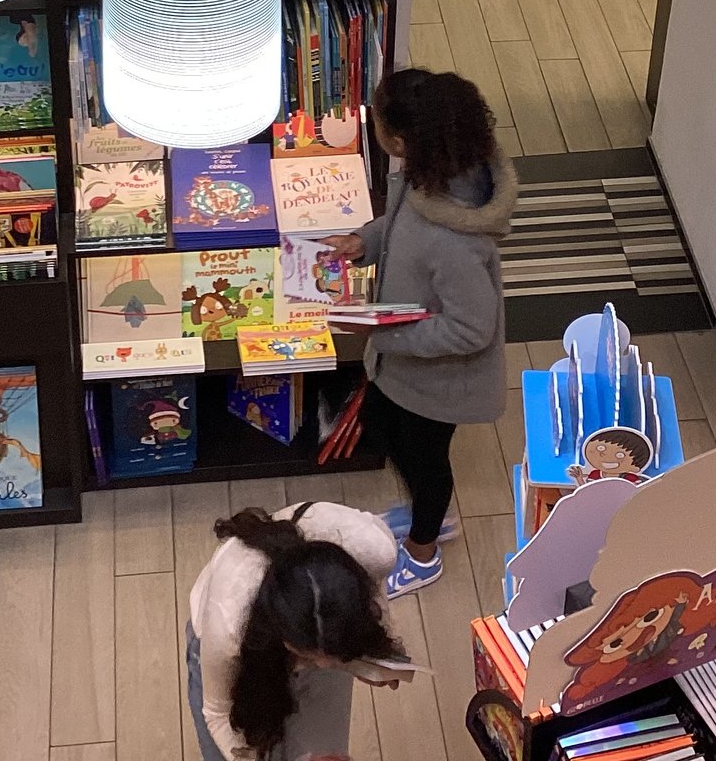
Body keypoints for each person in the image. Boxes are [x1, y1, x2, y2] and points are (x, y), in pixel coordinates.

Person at [322, 67, 514, 597]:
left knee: (427, 465)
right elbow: (401, 224)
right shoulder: (426, 176)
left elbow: (473, 328)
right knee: (386, 429)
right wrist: (367, 241)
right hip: (400, 364)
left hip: (438, 383)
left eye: (376, 121)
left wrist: (387, 335)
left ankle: (424, 551)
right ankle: (424, 517)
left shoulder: (454, 241)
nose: (371, 124)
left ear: (400, 141)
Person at [186, 503, 409, 761]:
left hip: (306, 633)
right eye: (308, 655)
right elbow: (217, 713)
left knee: (321, 751)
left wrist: (367, 659)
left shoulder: (375, 549)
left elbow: (372, 591)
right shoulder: (229, 625)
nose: (325, 665)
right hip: (242, 651)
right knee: (239, 742)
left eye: (332, 653)